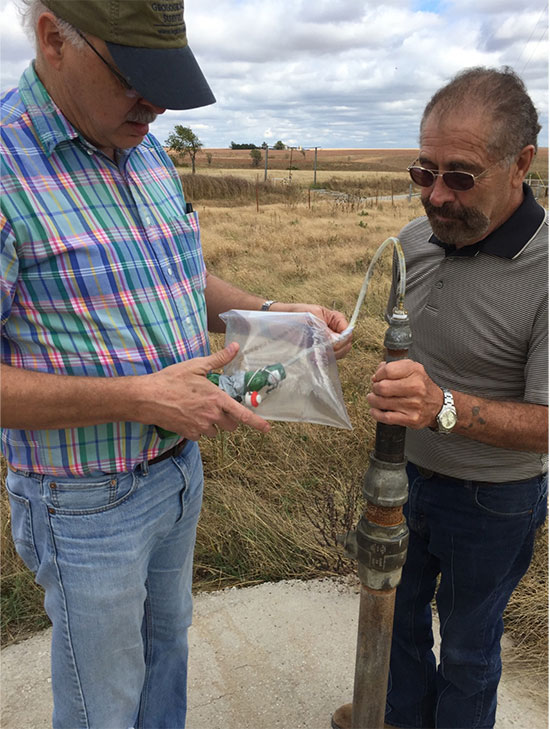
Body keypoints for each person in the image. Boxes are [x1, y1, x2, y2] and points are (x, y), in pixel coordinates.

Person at [0, 2, 351, 728]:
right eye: (133, 73)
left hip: (178, 474)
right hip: (85, 502)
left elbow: (179, 276)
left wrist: (278, 313)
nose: (155, 102)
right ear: (51, 39)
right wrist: (138, 397)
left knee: (166, 662)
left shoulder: (144, 147)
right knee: (105, 703)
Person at [366, 67, 548, 729]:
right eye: (424, 171)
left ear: (520, 163)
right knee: (397, 624)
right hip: (402, 479)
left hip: (493, 501)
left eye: (461, 177)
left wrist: (441, 405)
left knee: (470, 650)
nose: (436, 197)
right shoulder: (415, 243)